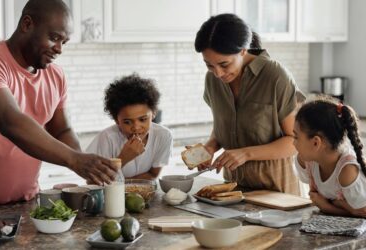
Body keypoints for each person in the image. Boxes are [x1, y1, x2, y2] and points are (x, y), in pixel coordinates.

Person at [0, 0, 116, 207]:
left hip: (26, 203)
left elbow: (62, 129)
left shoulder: (55, 75)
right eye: (54, 38)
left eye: (64, 42)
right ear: (27, 24)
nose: (59, 49)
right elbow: (10, 121)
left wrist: (86, 165)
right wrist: (74, 159)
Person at [190, 13, 305, 195]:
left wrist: (246, 153)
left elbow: (296, 141)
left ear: (243, 50)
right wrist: (210, 148)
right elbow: (223, 127)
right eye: (209, 65)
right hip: (233, 191)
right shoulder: (212, 80)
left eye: (224, 64)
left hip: (277, 191)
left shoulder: (275, 76)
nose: (218, 74)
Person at [86, 74, 173, 180]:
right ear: (116, 120)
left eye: (142, 119)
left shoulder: (163, 136)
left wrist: (126, 186)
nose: (136, 127)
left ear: (154, 113)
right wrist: (123, 158)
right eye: (127, 122)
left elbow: (153, 175)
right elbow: (92, 182)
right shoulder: (107, 138)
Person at [294, 97, 366, 217]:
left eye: (296, 137)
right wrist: (341, 205)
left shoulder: (347, 171)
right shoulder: (308, 161)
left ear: (316, 143)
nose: (293, 143)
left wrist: (327, 207)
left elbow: (363, 214)